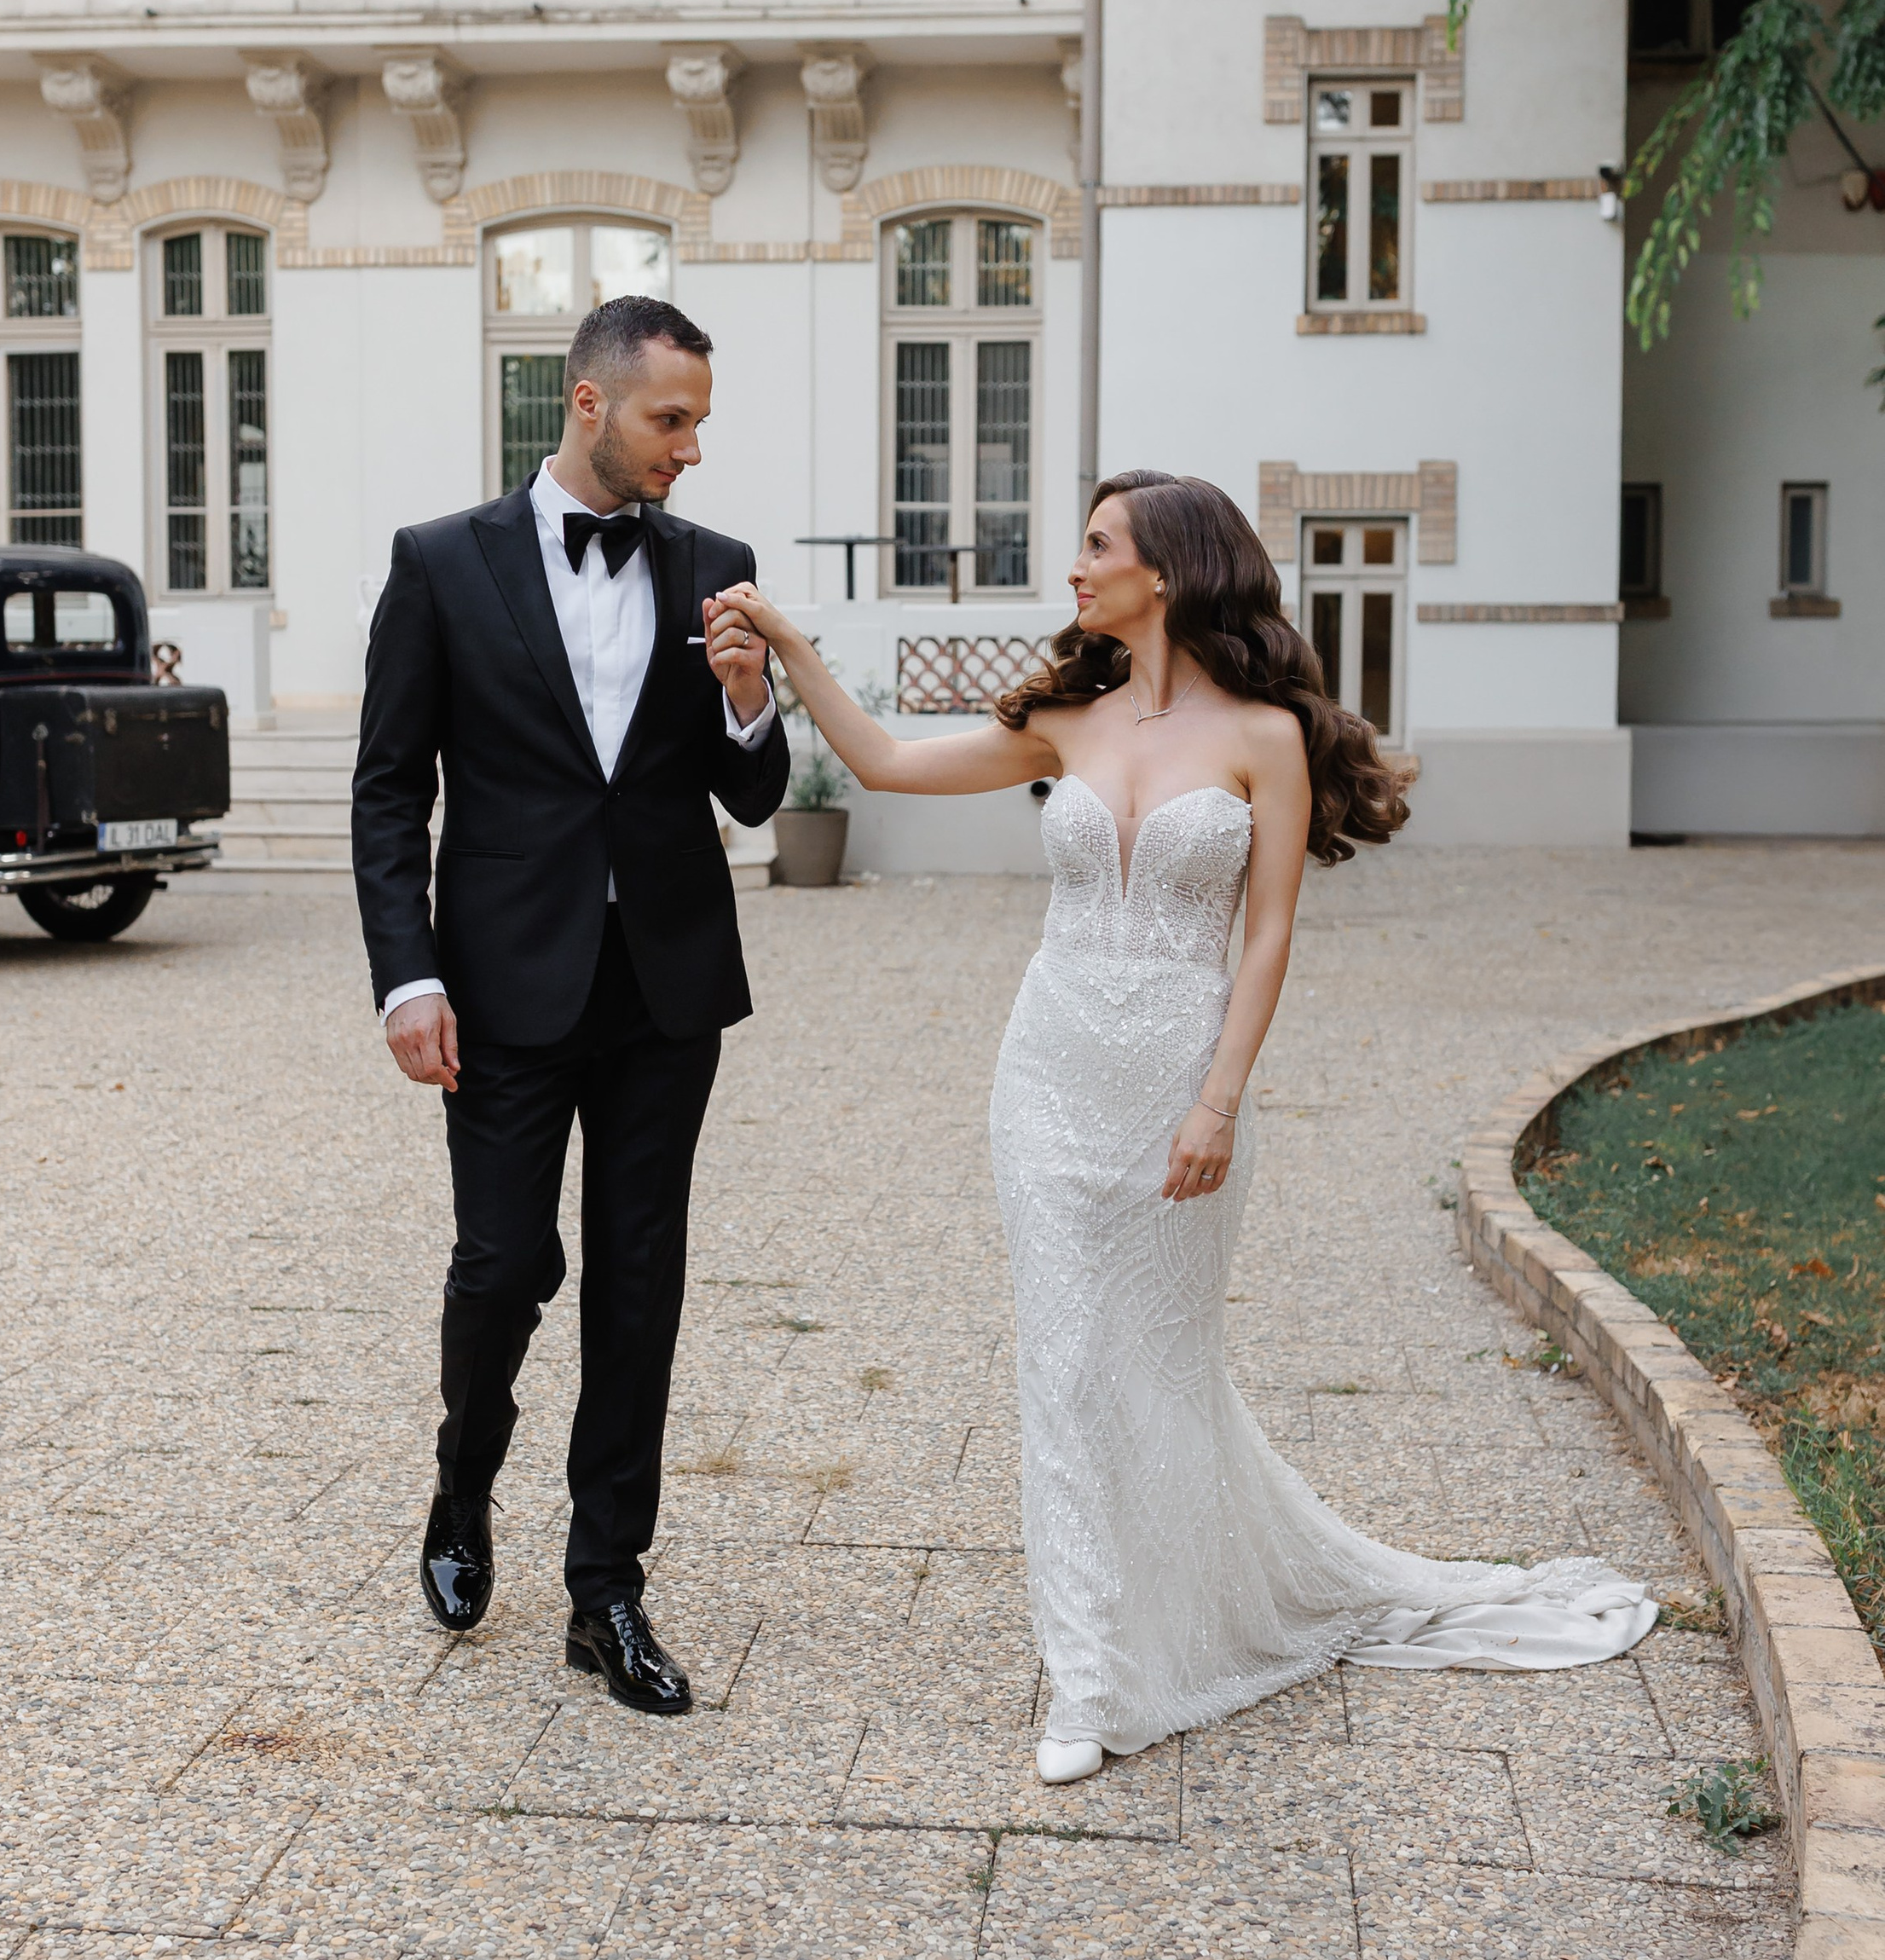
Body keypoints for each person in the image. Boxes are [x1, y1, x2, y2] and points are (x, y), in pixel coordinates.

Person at [708, 469, 1654, 1785]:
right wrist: (790, 646)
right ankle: (1095, 1680)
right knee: (1064, 1363)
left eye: (1098, 545)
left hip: (1180, 1086)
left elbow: (1267, 935)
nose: (1076, 565)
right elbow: (885, 763)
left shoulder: (1265, 736)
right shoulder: (1065, 720)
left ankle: (1204, 1605)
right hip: (1047, 1078)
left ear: (1170, 570)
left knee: (1157, 1367)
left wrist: (1218, 1099)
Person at [354, 292, 789, 1716]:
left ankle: (606, 1590)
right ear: (590, 403)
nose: (691, 449)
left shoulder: (716, 568)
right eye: (673, 420)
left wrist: (748, 702)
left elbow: (753, 794)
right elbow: (388, 793)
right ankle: (463, 1479)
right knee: (501, 1264)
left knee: (638, 1281)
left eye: (700, 424)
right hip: (499, 983)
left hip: (667, 984)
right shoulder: (440, 562)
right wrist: (409, 975)